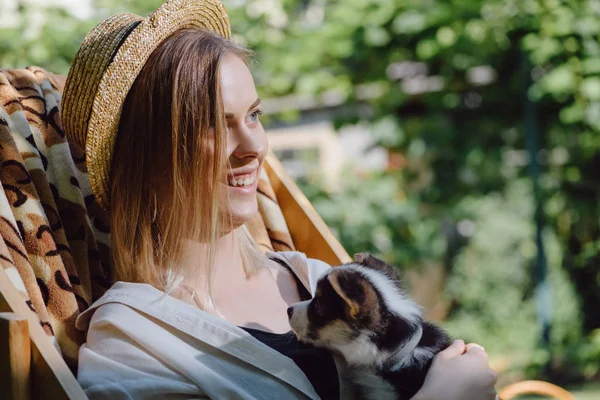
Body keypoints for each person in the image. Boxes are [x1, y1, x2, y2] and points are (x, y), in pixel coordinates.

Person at [61, 0, 498, 399]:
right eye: (215, 123)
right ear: (147, 161)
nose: (254, 146)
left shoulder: (315, 280)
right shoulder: (133, 341)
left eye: (254, 114)